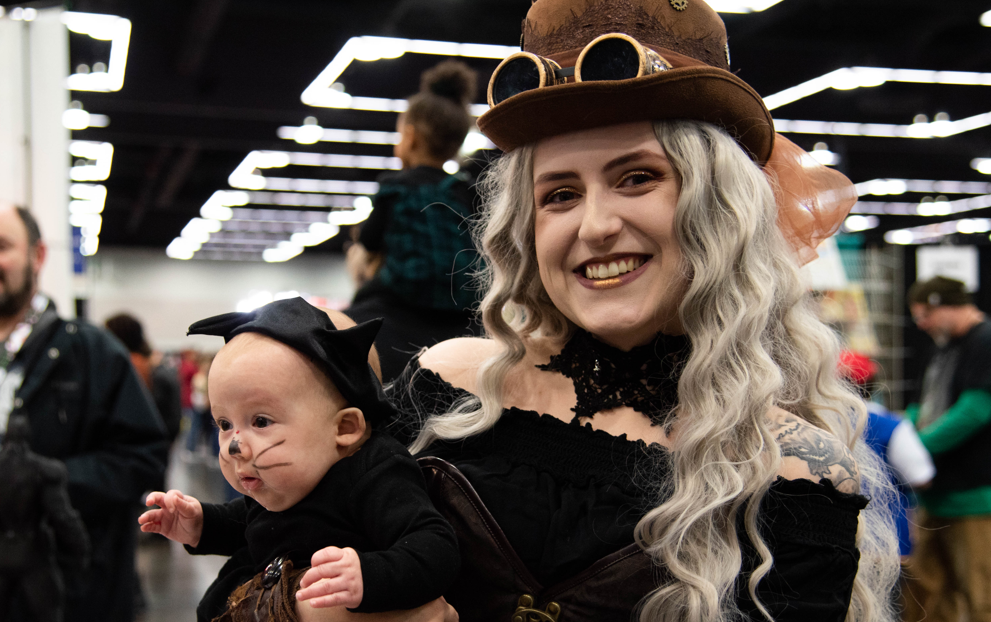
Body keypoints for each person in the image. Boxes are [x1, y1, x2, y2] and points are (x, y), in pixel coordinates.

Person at [299, 1, 904, 620]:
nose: (595, 226)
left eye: (638, 178)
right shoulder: (449, 390)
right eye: (560, 194)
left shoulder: (795, 465)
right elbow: (263, 567)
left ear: (720, 210)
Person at [138, 298, 459, 622]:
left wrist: (370, 575)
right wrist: (201, 525)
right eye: (224, 424)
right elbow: (250, 521)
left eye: (261, 422)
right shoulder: (287, 480)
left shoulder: (375, 471)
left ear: (345, 428)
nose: (234, 446)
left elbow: (435, 545)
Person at [0, 203, 168, 622]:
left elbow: (142, 458)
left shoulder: (92, 352)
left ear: (37, 256)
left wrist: (45, 480)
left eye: (2, 246)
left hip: (68, 591)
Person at [346, 60, 483, 381]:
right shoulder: (464, 189)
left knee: (357, 304)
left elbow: (369, 240)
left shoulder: (396, 187)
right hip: (461, 308)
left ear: (410, 136)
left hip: (399, 299)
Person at [901, 275, 991, 622]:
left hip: (974, 498)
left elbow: (975, 411)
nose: (922, 324)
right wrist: (902, 441)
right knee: (926, 592)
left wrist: (916, 449)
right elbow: (920, 405)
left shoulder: (984, 341)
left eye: (926, 314)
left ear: (949, 306)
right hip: (936, 495)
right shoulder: (942, 345)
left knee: (980, 594)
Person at [839, 350, 934, 558]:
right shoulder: (890, 426)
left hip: (834, 541)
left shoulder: (815, 424)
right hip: (886, 540)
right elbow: (921, 477)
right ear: (873, 383)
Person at [0, 414, 90, 622]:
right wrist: (80, 548)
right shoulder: (42, 469)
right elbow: (62, 516)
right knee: (48, 613)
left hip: (6, 550)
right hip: (33, 554)